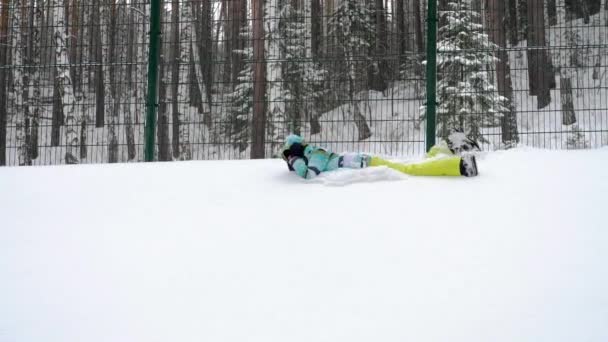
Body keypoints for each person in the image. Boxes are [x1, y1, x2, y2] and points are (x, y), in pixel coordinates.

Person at [280, 134, 478, 179]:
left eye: (289, 156)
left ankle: (460, 164)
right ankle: (447, 147)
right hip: (366, 161)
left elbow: (310, 174)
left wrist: (294, 160)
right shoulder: (313, 153)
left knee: (412, 171)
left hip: (368, 163)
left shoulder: (315, 154)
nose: (289, 161)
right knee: (414, 165)